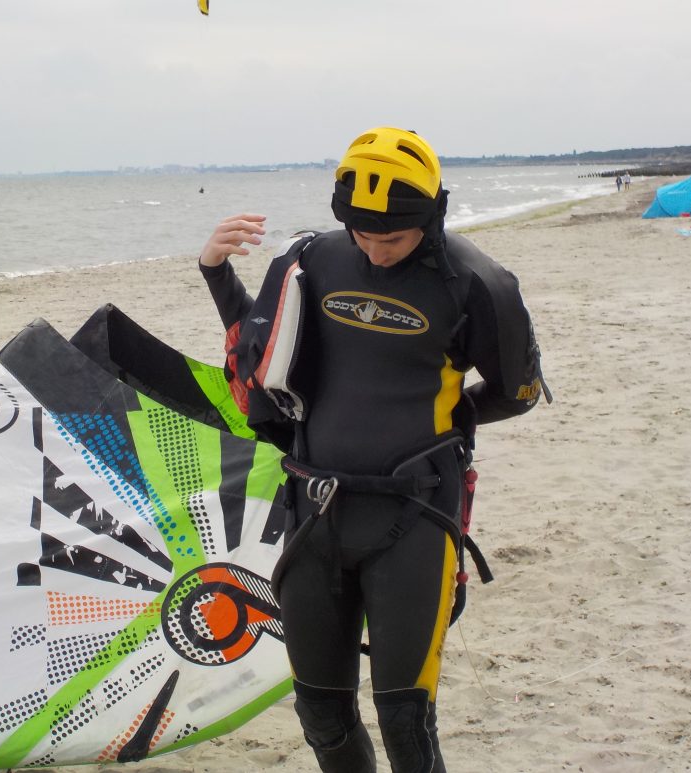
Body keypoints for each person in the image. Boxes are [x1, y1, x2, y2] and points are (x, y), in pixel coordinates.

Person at [197, 126, 547, 772]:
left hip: (413, 520)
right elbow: (261, 356)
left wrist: (454, 420)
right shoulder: (313, 263)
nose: (378, 252)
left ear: (433, 216)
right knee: (320, 715)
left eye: (395, 239)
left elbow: (518, 390)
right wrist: (215, 272)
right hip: (314, 515)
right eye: (364, 235)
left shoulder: (478, 283)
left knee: (406, 725)